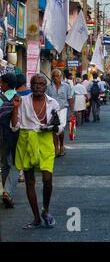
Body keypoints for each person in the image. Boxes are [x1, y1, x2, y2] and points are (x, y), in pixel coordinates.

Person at [11, 74, 61, 229]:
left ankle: (46, 210)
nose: (38, 86)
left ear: (45, 87)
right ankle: (37, 218)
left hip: (45, 141)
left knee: (47, 179)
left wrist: (54, 129)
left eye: (41, 83)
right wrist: (14, 108)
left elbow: (59, 127)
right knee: (30, 181)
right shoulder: (22, 101)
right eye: (35, 83)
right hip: (26, 142)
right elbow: (14, 126)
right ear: (30, 86)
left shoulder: (53, 103)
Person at [46, 69, 73, 158]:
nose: (55, 78)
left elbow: (69, 99)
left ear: (60, 77)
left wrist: (71, 112)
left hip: (63, 109)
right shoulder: (49, 87)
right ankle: (56, 149)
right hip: (52, 110)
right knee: (54, 129)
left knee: (60, 128)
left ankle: (61, 145)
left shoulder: (66, 86)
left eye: (57, 76)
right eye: (54, 76)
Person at [1, 73, 18, 208]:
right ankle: (7, 192)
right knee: (15, 164)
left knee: (5, 164)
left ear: (6, 84)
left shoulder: (1, 98)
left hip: (1, 136)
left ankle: (7, 193)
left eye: (1, 83)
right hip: (15, 136)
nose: (0, 85)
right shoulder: (19, 98)